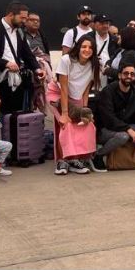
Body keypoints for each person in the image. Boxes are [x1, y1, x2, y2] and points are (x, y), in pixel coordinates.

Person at [0, 1, 42, 115]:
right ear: (11, 15)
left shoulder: (20, 32)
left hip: (15, 81)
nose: (24, 21)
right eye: (22, 18)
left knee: (15, 115)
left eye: (26, 18)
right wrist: (5, 63)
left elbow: (27, 54)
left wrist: (37, 69)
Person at [92, 63, 135, 171]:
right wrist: (128, 130)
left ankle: (124, 146)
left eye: (132, 74)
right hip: (106, 130)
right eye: (126, 73)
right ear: (119, 75)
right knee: (123, 136)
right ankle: (98, 155)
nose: (129, 76)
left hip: (126, 127)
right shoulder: (108, 91)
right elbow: (109, 119)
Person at [52, 36, 100, 175]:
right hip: (58, 95)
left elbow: (85, 89)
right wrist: (65, 113)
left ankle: (75, 160)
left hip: (77, 97)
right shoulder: (66, 60)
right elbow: (64, 88)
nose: (87, 50)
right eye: (84, 46)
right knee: (65, 125)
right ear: (78, 47)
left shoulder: (94, 64)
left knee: (86, 125)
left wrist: (83, 111)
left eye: (90, 47)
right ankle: (62, 161)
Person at [93, 14, 119, 90]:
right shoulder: (88, 37)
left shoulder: (115, 40)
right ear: (95, 24)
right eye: (102, 23)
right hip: (91, 74)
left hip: (109, 75)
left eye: (107, 23)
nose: (105, 26)